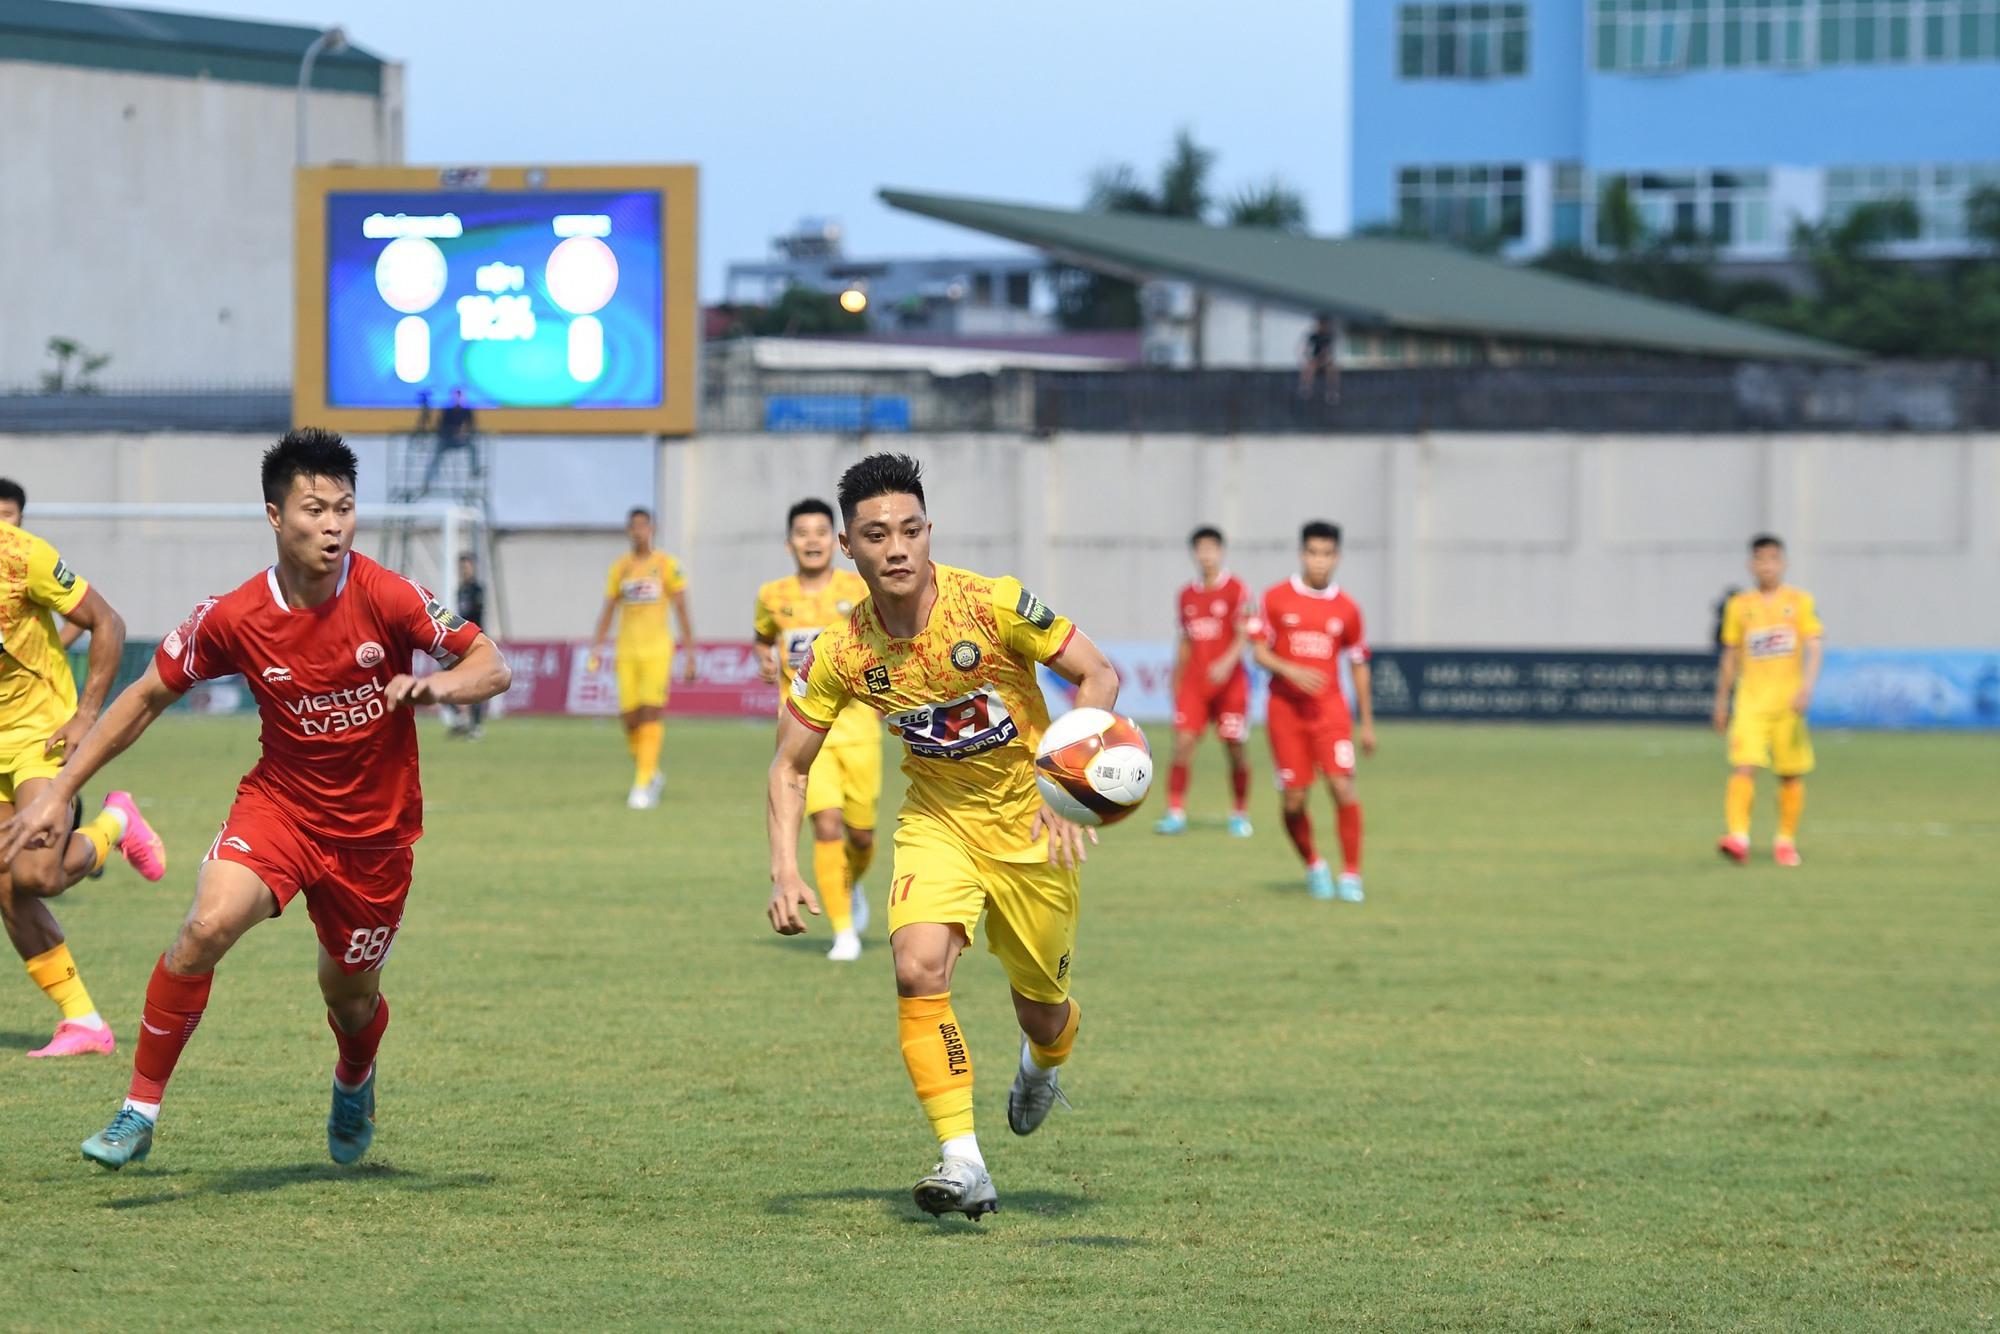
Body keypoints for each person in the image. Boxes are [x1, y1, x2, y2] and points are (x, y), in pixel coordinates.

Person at [1, 429, 511, 1169]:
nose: (333, 524)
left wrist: (436, 685)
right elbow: (146, 697)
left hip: (373, 836)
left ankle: (354, 1075)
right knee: (203, 928)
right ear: (276, 517)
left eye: (344, 507)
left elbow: (489, 664)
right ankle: (137, 1111)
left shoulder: (387, 595)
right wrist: (64, 790)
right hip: (279, 809)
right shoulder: (235, 614)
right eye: (315, 509)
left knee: (349, 997)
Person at [766, 453, 1120, 1220]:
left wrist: (1067, 789)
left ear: (929, 533)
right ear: (848, 549)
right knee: (917, 965)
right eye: (876, 535)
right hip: (936, 825)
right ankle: (963, 1160)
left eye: (911, 530)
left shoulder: (993, 605)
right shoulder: (842, 652)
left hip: (1032, 830)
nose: (896, 548)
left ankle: (1043, 1062)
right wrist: (782, 869)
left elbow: (1099, 676)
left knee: (1043, 1011)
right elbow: (790, 767)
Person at [0, 498, 166, 1059]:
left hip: (39, 738)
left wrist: (87, 716)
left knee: (38, 875)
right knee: (5, 883)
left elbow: (106, 622)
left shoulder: (23, 557)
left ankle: (115, 822)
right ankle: (84, 1023)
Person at [753, 499, 879, 962]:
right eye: (802, 532)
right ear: (790, 543)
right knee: (826, 825)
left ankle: (851, 882)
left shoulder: (860, 590)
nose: (811, 539)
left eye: (820, 531)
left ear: (837, 541)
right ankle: (843, 931)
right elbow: (764, 637)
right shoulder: (772, 595)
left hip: (861, 728)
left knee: (862, 836)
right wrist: (764, 659)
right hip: (804, 730)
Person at [1252, 521, 1375, 902]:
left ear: (1336, 557)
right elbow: (1258, 651)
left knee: (1342, 786)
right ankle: (1314, 864)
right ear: (1302, 554)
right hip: (1285, 710)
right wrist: (1290, 669)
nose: (1319, 561)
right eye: (1313, 553)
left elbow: (1358, 663)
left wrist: (1367, 723)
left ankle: (1352, 874)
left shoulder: (1348, 609)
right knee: (1294, 800)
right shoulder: (1275, 598)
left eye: (1326, 554)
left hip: (1330, 712)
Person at [1712, 534, 1823, 867]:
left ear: (1783, 563)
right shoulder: (1739, 606)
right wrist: (1721, 701)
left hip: (1788, 705)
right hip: (1751, 703)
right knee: (1743, 766)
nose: (1767, 566)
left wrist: (1806, 687)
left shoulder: (1799, 602)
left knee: (1790, 774)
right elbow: (1730, 655)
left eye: (1773, 559)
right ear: (1751, 564)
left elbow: (1815, 646)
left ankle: (1785, 841)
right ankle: (1738, 836)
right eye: (1761, 559)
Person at [587, 508, 696, 809]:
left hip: (657, 650)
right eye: (634, 527)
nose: (639, 531)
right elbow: (608, 609)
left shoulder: (667, 565)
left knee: (650, 712)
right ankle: (651, 771)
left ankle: (642, 784)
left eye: (643, 526)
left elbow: (682, 610)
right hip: (627, 651)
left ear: (653, 529)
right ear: (628, 530)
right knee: (629, 719)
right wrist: (596, 647)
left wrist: (689, 653)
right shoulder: (620, 568)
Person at [1156, 526, 1254, 838]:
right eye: (1201, 549)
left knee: (1235, 747)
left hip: (1230, 685)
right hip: (1195, 684)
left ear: (1221, 551)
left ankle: (1239, 812)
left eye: (1211, 548)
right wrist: (1176, 677)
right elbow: (1185, 640)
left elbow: (1245, 634)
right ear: (1194, 553)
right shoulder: (1186, 595)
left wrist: (1226, 663)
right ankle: (1174, 811)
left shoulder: (1237, 589)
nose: (1206, 555)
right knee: (1183, 744)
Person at [0, 480, 85, 651]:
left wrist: (46, 655)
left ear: (20, 519)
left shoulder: (32, 560)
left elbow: (82, 619)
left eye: (7, 514)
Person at [451, 552, 489, 740]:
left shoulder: (476, 590)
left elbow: (477, 616)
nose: (464, 570)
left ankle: (476, 726)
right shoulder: (460, 589)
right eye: (461, 567)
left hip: (474, 641)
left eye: (466, 566)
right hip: (461, 641)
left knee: (475, 684)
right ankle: (462, 719)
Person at [418, 389, 476, 497]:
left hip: (461, 440)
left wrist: (463, 433)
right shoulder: (447, 411)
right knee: (435, 459)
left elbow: (471, 426)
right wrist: (451, 433)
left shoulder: (467, 411)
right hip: (446, 440)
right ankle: (427, 483)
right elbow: (441, 427)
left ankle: (475, 471)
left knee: (473, 448)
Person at [1299, 313, 1341, 404]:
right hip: (1315, 359)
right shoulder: (1314, 336)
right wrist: (1309, 359)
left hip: (1325, 360)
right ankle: (1306, 388)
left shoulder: (1329, 336)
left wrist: (1325, 360)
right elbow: (1306, 350)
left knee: (1332, 369)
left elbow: (1329, 351)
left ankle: (1332, 391)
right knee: (1309, 367)